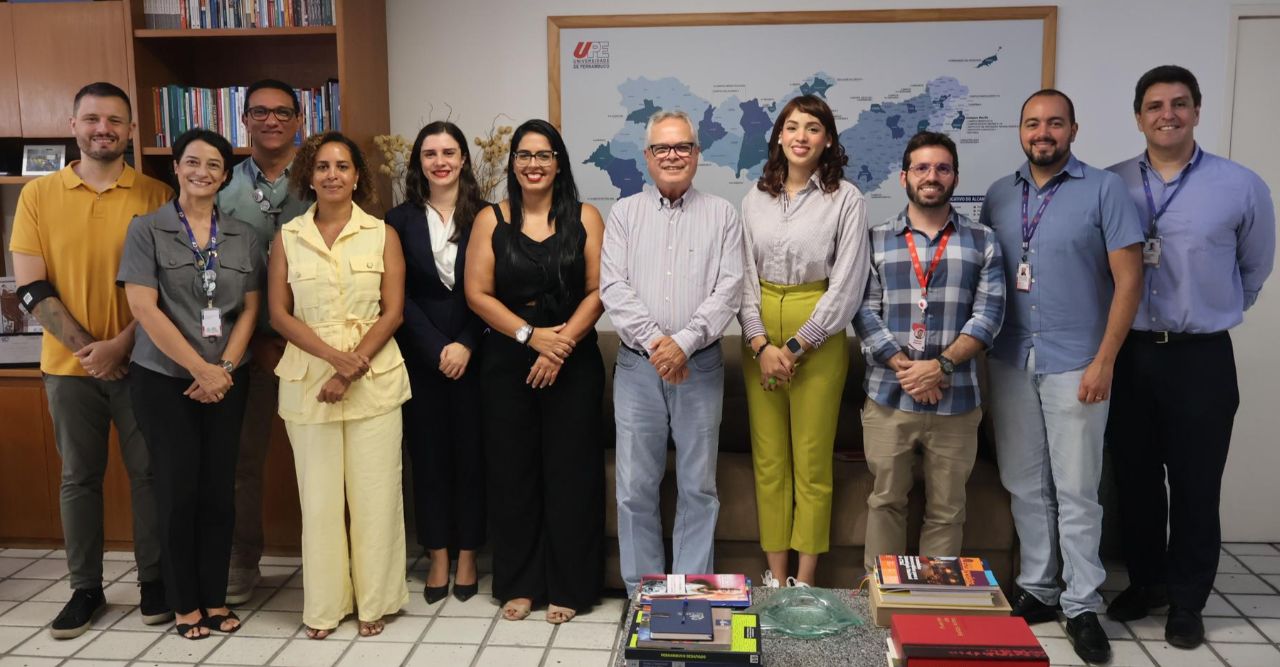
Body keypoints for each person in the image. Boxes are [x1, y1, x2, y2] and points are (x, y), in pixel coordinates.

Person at [1105, 65, 1275, 648]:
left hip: (1201, 356)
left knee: (1197, 484)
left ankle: (1187, 599)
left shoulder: (1240, 185)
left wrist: (1215, 308)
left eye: (1179, 103)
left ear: (1197, 111)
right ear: (1138, 117)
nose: (1167, 114)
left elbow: (1254, 268)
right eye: (1155, 105)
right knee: (1135, 479)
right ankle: (1146, 582)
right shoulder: (1112, 183)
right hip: (1129, 355)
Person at [979, 89, 1144, 664]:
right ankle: (1040, 588)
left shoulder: (1105, 190)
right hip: (1009, 359)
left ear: (1074, 128)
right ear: (1020, 131)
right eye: (1032, 123)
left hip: (1079, 361)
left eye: (1054, 122)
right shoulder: (1000, 195)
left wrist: (1106, 360)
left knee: (1077, 490)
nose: (1042, 132)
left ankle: (1081, 603)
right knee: (1025, 484)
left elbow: (1129, 281)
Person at [10, 82, 173, 639]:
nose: (103, 128)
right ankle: (85, 587)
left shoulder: (155, 194)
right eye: (92, 119)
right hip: (66, 368)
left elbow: (168, 288)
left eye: (115, 121)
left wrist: (121, 345)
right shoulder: (38, 195)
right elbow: (30, 287)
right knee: (79, 478)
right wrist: (91, 352)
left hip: (145, 361)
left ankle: (155, 580)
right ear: (74, 125)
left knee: (149, 475)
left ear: (131, 131)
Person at [118, 128, 261, 638]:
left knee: (220, 491)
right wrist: (199, 369)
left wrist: (223, 369)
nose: (203, 172)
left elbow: (250, 309)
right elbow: (142, 307)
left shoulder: (243, 234)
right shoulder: (147, 229)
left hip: (228, 378)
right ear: (175, 167)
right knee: (178, 490)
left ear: (226, 176)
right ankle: (184, 603)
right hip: (164, 379)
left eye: (215, 165)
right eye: (193, 162)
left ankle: (214, 595)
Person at [268, 132, 411, 638]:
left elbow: (392, 311)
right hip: (309, 379)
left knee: (376, 497)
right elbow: (278, 314)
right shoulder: (288, 236)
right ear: (308, 175)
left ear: (357, 176)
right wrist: (333, 362)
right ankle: (325, 607)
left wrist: (353, 365)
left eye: (343, 166)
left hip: (375, 377)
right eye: (323, 166)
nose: (333, 174)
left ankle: (376, 602)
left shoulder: (382, 233)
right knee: (321, 503)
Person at [465, 119, 606, 624]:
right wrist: (531, 337)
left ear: (559, 162)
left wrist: (559, 343)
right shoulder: (491, 219)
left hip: (573, 361)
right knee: (513, 476)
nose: (533, 164)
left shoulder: (586, 216)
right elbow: (477, 294)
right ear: (513, 164)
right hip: (507, 362)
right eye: (524, 155)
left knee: (572, 476)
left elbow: (597, 290)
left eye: (544, 155)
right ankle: (520, 583)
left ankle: (571, 585)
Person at [600, 110, 744, 596]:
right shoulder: (623, 215)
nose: (672, 156)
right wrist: (659, 346)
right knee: (635, 489)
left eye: (682, 147)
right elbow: (613, 288)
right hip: (637, 369)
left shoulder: (723, 214)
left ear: (697, 154)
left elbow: (729, 288)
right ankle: (643, 594)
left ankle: (686, 593)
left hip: (700, 366)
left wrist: (682, 344)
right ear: (647, 157)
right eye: (662, 148)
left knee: (698, 489)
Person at [854, 131, 1004, 578]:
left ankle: (933, 604)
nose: (931, 176)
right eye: (921, 168)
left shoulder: (983, 240)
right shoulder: (876, 238)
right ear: (904, 177)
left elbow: (989, 314)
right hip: (888, 395)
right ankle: (880, 599)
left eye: (941, 168)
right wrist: (906, 368)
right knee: (885, 502)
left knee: (947, 509)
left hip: (956, 399)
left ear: (954, 176)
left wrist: (939, 367)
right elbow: (862, 309)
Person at [738, 95, 868, 585]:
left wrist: (793, 348)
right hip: (758, 338)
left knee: (811, 464)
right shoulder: (754, 197)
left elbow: (848, 285)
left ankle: (805, 581)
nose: (800, 136)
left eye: (813, 128)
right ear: (778, 136)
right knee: (769, 462)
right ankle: (775, 576)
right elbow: (743, 277)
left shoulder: (846, 199)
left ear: (827, 139)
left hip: (818, 334)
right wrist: (759, 344)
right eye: (791, 127)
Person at [217, 79, 311, 605]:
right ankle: (242, 559)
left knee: (325, 459)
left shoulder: (322, 178)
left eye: (282, 112)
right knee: (242, 464)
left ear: (299, 119)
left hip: (314, 345)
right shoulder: (220, 186)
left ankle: (329, 556)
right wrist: (252, 344)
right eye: (260, 112)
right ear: (245, 120)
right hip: (245, 348)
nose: (271, 121)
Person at [386, 121, 486, 604]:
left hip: (478, 356)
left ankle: (468, 553)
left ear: (464, 158)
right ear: (419, 162)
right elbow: (395, 295)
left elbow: (496, 290)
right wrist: (434, 346)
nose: (440, 161)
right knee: (426, 460)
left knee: (471, 458)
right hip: (419, 358)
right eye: (430, 153)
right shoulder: (396, 220)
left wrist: (466, 342)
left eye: (449, 151)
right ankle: (438, 554)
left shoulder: (488, 217)